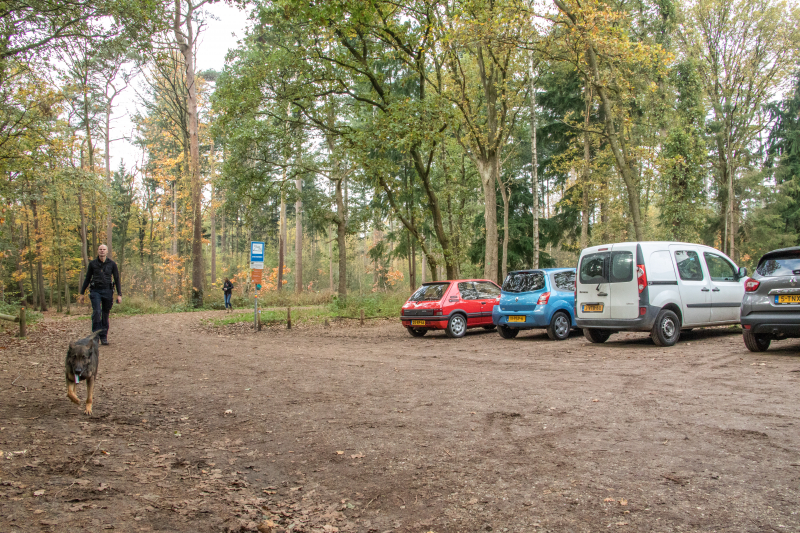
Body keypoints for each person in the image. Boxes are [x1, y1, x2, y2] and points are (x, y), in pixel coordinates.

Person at [79, 244, 122, 345]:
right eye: (100, 249)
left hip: (107, 291)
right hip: (95, 291)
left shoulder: (112, 264)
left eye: (104, 249)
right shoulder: (92, 264)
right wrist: (82, 293)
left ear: (107, 251)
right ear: (97, 251)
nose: (102, 251)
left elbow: (117, 279)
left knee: (105, 314)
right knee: (97, 312)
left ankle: (104, 337)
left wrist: (119, 294)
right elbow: (87, 279)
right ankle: (95, 337)